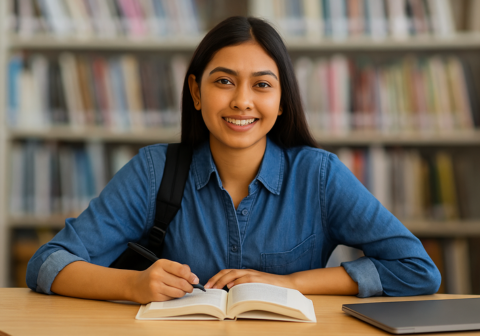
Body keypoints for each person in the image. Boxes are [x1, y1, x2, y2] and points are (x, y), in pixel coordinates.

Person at [26, 16, 441, 304]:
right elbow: (47, 264)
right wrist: (134, 285)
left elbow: (417, 270)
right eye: (223, 81)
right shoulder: (154, 170)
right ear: (195, 92)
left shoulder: (319, 175)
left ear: (281, 102)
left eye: (262, 84)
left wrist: (292, 283)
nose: (241, 100)